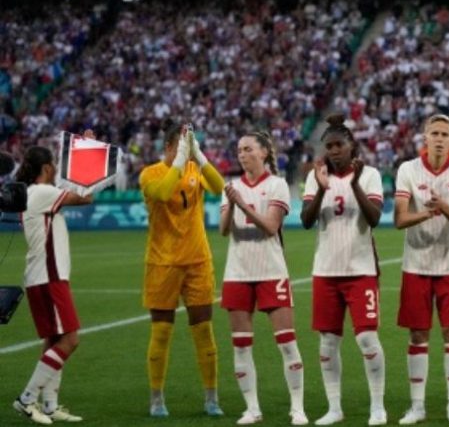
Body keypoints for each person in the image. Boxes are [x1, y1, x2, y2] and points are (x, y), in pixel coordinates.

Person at [300, 114, 387, 426]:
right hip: (325, 270)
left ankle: (378, 406)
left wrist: (353, 184)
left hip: (361, 269)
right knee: (328, 342)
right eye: (330, 146)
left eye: (340, 145)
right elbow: (307, 220)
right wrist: (322, 188)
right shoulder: (315, 177)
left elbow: (375, 217)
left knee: (367, 339)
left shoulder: (370, 175)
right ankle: (334, 407)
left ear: (352, 146)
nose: (334, 150)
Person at [219, 131, 306, 426]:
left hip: (271, 271)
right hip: (237, 272)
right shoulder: (230, 187)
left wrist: (242, 204)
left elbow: (270, 226)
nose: (242, 154)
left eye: (248, 149)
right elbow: (222, 229)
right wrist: (232, 203)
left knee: (286, 342)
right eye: (239, 150)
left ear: (265, 153)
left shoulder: (278, 185)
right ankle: (252, 409)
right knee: (241, 345)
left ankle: (297, 408)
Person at [393, 114, 449, 426]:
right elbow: (400, 218)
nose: (439, 138)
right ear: (424, 138)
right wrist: (429, 212)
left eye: (445, 134)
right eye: (434, 133)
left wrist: (445, 207)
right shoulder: (407, 170)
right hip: (415, 264)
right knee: (418, 335)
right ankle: (418, 406)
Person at [139, 121, 225, 417]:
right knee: (161, 332)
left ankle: (211, 398)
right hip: (162, 263)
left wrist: (200, 157)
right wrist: (178, 160)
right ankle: (156, 398)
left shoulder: (194, 169)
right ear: (168, 147)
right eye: (181, 146)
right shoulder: (149, 174)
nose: (185, 152)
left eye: (189, 146)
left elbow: (219, 187)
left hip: (198, 260)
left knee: (204, 330)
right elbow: (162, 194)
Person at [12, 143, 93, 424]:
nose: (57, 167)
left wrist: (85, 150)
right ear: (47, 168)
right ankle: (27, 398)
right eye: (54, 164)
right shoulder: (43, 192)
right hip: (49, 276)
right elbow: (86, 197)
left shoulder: (33, 193)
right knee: (70, 340)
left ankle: (49, 405)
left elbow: (72, 191)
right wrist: (88, 156)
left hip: (41, 276)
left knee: (53, 340)